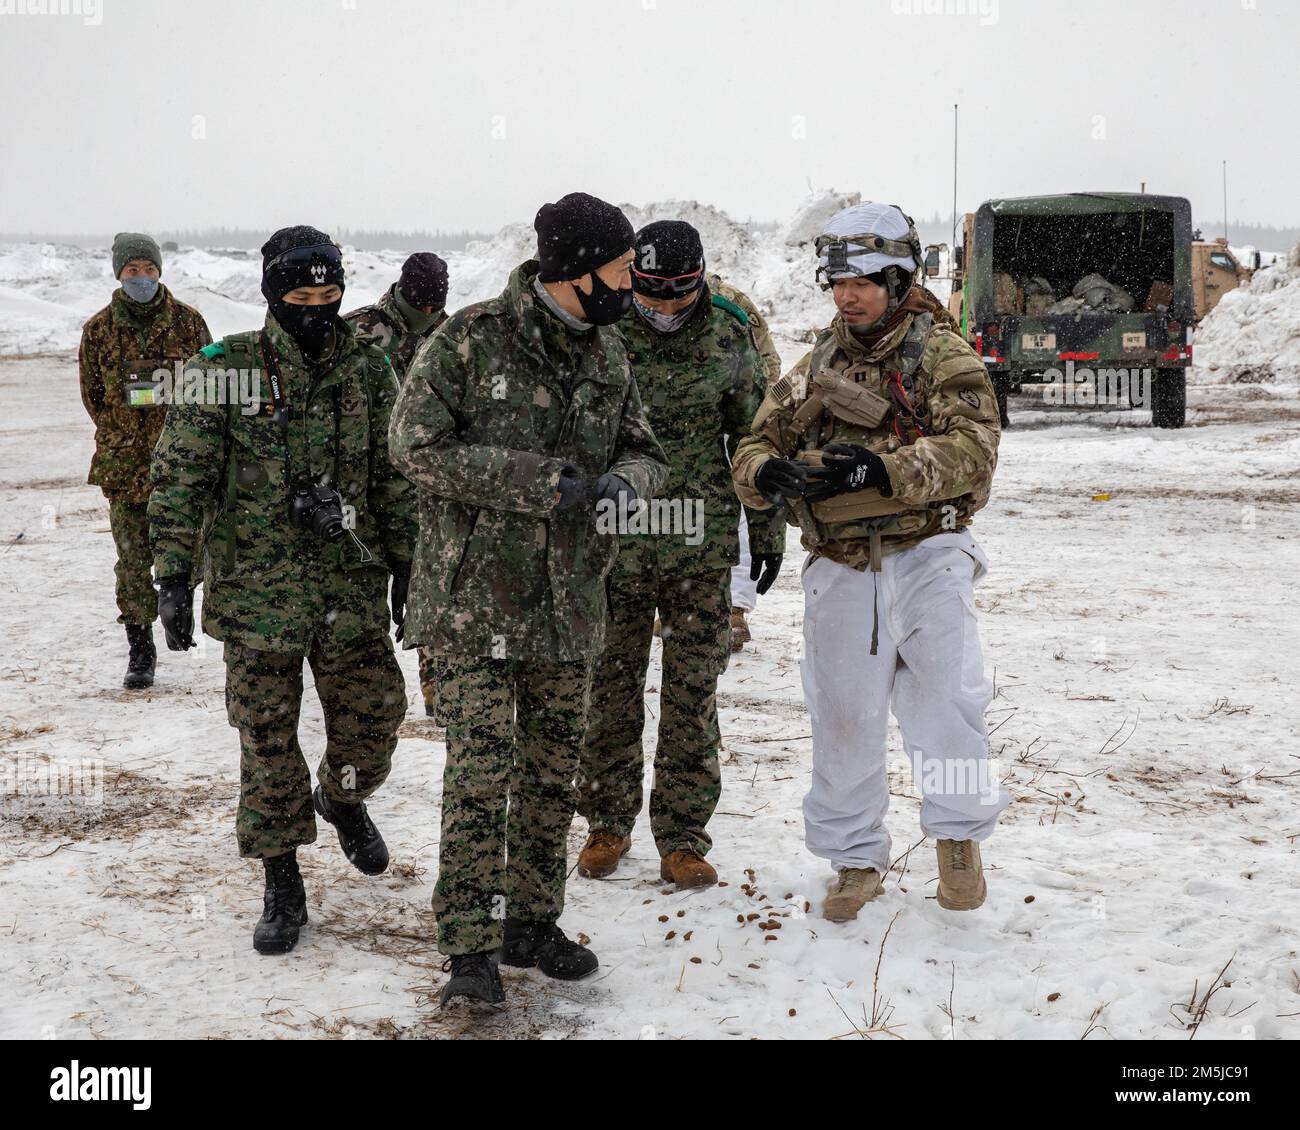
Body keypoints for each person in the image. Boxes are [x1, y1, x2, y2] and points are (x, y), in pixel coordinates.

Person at [389, 193, 668, 1007]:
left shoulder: (609, 351)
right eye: (620, 268)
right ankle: (469, 950)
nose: (631, 282)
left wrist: (629, 481)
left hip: (569, 604)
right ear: (578, 272)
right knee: (482, 772)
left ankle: (532, 923)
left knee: (552, 773)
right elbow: (414, 445)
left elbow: (645, 449)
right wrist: (544, 483)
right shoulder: (470, 339)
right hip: (474, 605)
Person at [732, 201, 1009, 921]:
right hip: (841, 564)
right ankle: (854, 858)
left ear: (898, 276)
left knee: (947, 707)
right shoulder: (821, 361)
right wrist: (767, 475)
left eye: (861, 282)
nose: (846, 297)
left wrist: (878, 472)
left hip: (928, 555)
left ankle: (956, 840)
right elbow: (756, 440)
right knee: (844, 716)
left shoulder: (941, 354)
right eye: (837, 284)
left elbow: (974, 452)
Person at [148, 226, 416, 954]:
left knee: (375, 718)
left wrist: (410, 568)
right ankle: (282, 878)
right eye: (301, 296)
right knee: (266, 740)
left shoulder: (370, 368)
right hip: (257, 591)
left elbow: (396, 479)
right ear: (273, 293)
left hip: (349, 585)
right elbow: (181, 477)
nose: (317, 309)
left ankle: (343, 794)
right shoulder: (225, 368)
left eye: (330, 296)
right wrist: (173, 573)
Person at [574, 220, 783, 889]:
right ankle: (607, 821)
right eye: (652, 293)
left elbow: (755, 438)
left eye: (679, 294)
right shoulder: (601, 333)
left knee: (693, 698)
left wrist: (768, 528)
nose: (664, 308)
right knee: (608, 693)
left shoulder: (728, 333)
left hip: (698, 548)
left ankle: (683, 837)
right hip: (615, 545)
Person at [78, 233, 211, 689]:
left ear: (160, 270)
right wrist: (124, 431)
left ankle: (178, 617)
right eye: (132, 270)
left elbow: (209, 389)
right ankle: (140, 647)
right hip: (126, 466)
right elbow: (93, 396)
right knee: (132, 560)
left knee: (184, 552)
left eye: (148, 268)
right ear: (119, 274)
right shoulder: (98, 330)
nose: (142, 277)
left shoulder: (189, 324)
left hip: (180, 466)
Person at [346, 252, 450, 717]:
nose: (427, 313)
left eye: (436, 305)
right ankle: (364, 689)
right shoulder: (360, 329)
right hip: (366, 484)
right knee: (367, 590)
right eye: (421, 304)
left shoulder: (455, 335)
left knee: (428, 584)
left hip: (430, 486)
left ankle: (438, 690)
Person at [707, 274, 783, 651]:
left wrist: (751, 414)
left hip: (729, 419)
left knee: (735, 510)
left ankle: (734, 610)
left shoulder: (727, 301)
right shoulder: (733, 296)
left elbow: (765, 363)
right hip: (694, 421)